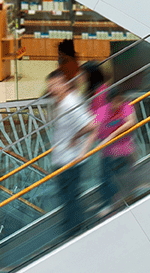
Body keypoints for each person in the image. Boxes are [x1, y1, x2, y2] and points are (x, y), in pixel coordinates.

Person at [47, 70, 94, 237]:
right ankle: (71, 230)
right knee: (67, 199)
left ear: (64, 84)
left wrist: (76, 138)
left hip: (70, 161)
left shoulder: (70, 103)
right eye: (50, 86)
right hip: (62, 161)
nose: (51, 89)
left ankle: (75, 233)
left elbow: (91, 125)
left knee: (71, 199)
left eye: (54, 85)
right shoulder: (61, 103)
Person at [95, 87, 138, 215]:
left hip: (124, 151)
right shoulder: (103, 111)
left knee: (121, 178)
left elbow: (131, 122)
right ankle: (108, 203)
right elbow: (94, 128)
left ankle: (118, 202)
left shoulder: (126, 107)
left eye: (119, 100)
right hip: (108, 152)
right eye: (114, 101)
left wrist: (111, 135)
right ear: (109, 101)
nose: (117, 104)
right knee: (105, 178)